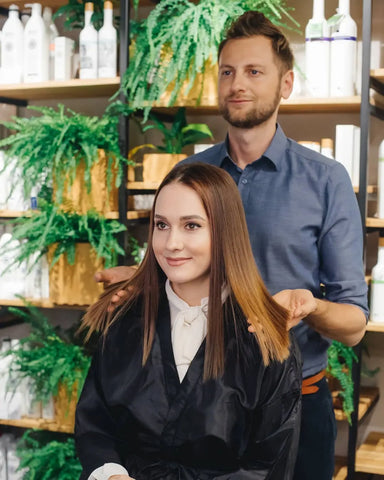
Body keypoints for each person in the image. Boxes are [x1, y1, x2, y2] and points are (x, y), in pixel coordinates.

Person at [95, 11, 368, 480]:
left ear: (286, 84)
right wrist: (143, 281)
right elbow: (174, 271)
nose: (237, 83)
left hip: (295, 405)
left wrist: (309, 305)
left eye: (253, 71)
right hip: (202, 410)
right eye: (227, 71)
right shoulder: (190, 174)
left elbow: (354, 325)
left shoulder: (326, 181)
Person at [75, 163, 302, 480]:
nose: (171, 244)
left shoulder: (262, 338)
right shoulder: (123, 321)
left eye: (191, 226)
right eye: (162, 225)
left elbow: (268, 464)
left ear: (225, 231)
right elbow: (94, 425)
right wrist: (111, 474)